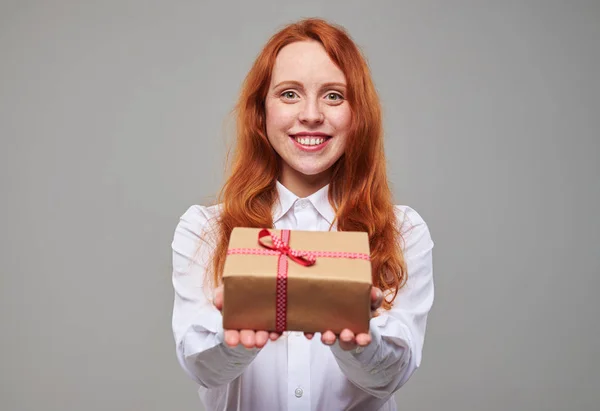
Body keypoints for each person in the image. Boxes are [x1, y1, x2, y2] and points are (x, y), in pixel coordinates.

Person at [171, 18, 434, 411]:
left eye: (333, 96)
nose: (311, 114)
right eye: (289, 94)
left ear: (357, 114)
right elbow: (201, 369)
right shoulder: (204, 230)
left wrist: (356, 340)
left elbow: (392, 375)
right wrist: (233, 335)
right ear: (261, 113)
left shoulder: (402, 231)